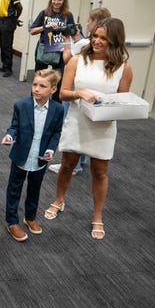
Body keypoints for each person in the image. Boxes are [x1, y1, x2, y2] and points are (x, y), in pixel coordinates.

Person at [44, 18, 133, 240]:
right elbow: (62, 93)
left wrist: (108, 106)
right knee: (67, 165)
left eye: (103, 38)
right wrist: (79, 93)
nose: (97, 41)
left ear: (114, 41)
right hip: (77, 120)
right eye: (95, 36)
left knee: (100, 172)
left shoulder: (123, 67)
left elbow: (121, 101)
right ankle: (58, 200)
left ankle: (97, 215)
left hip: (103, 126)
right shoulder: (77, 60)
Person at [1, 69, 64, 241]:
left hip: (40, 158)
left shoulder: (58, 110)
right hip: (21, 155)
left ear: (53, 90)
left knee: (34, 189)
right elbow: (14, 127)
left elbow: (56, 133)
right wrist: (10, 136)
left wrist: (51, 150)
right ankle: (12, 221)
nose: (36, 89)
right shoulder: (21, 105)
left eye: (42, 86)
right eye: (34, 84)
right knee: (14, 188)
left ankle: (30, 217)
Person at [49, 7, 113, 176]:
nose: (87, 23)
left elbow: (67, 59)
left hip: (76, 86)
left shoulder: (85, 44)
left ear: (96, 22)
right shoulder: (88, 43)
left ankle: (74, 165)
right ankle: (82, 160)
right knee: (88, 123)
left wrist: (68, 44)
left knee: (72, 123)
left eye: (89, 21)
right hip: (92, 89)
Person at [30, 0, 74, 101]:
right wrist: (45, 26)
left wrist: (65, 30)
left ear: (64, 1)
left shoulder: (68, 15)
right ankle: (35, 100)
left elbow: (72, 32)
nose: (56, 2)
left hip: (59, 50)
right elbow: (32, 31)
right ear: (51, 0)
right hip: (44, 48)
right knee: (39, 76)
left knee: (58, 79)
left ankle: (55, 103)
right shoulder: (44, 13)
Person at [0, 0, 23, 77]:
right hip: (1, 21)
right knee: (2, 44)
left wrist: (15, 19)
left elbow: (19, 7)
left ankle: (8, 68)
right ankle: (4, 65)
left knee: (7, 45)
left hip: (8, 21)